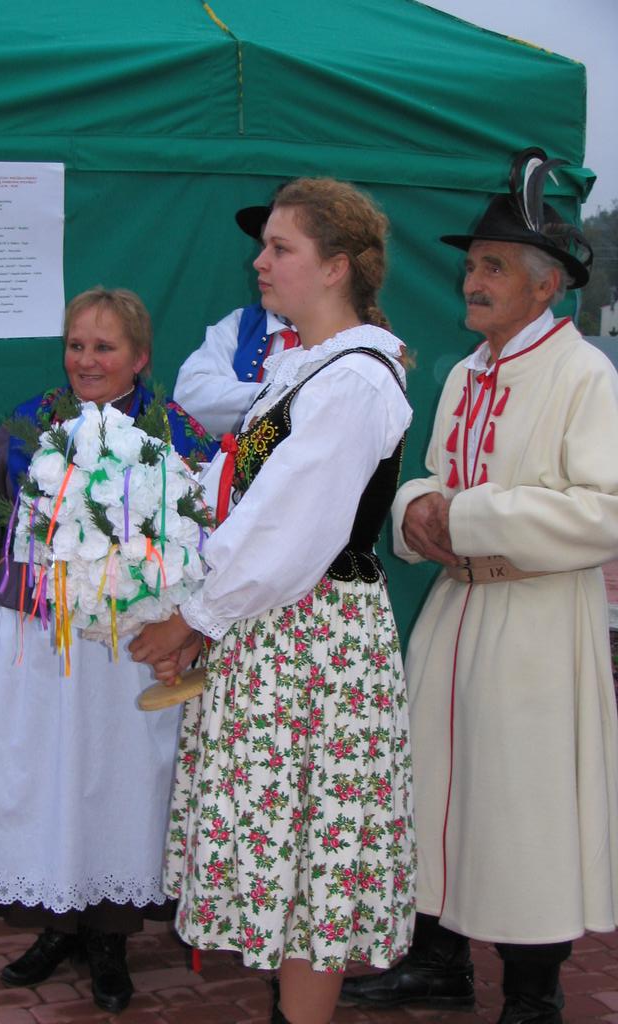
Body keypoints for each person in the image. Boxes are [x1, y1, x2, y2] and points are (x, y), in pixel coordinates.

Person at [340, 148, 618, 1024]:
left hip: (537, 622)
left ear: (546, 285)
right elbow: (430, 476)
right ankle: (438, 961)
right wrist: (418, 509)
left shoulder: (584, 374)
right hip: (456, 613)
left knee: (524, 804)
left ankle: (534, 992)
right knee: (434, 785)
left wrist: (466, 516)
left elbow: (606, 508)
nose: (472, 281)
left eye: (492, 267)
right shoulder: (467, 373)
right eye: (472, 267)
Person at [130, 177, 416, 1024]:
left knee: (315, 856)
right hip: (281, 633)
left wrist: (196, 617)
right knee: (292, 854)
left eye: (280, 247)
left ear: (336, 267)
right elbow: (245, 499)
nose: (260, 262)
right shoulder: (304, 368)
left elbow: (292, 525)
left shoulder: (354, 381)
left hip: (315, 641)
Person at [0, 287, 215, 1014]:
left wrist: (189, 609)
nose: (87, 360)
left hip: (130, 646)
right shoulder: (37, 420)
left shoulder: (174, 429)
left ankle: (109, 936)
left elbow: (220, 511)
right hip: (46, 644)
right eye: (76, 345)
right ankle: (57, 924)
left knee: (117, 777)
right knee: (48, 774)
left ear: (140, 357)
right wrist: (3, 573)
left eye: (105, 347)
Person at [173, 188, 301, 438]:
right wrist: (284, 397)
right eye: (263, 245)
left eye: (279, 249)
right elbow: (189, 397)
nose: (258, 262)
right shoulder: (240, 324)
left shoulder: (352, 340)